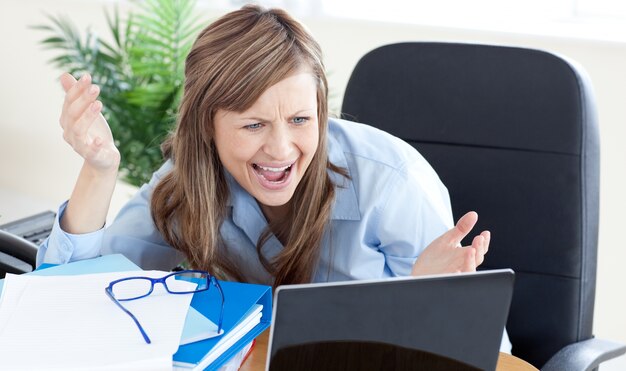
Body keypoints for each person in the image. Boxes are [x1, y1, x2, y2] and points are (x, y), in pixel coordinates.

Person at [38, 4, 509, 350]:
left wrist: (421, 301)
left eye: (301, 120)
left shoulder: (393, 183)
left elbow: (486, 353)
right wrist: (99, 172)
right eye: (253, 125)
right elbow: (72, 297)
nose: (282, 150)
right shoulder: (191, 178)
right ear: (208, 125)